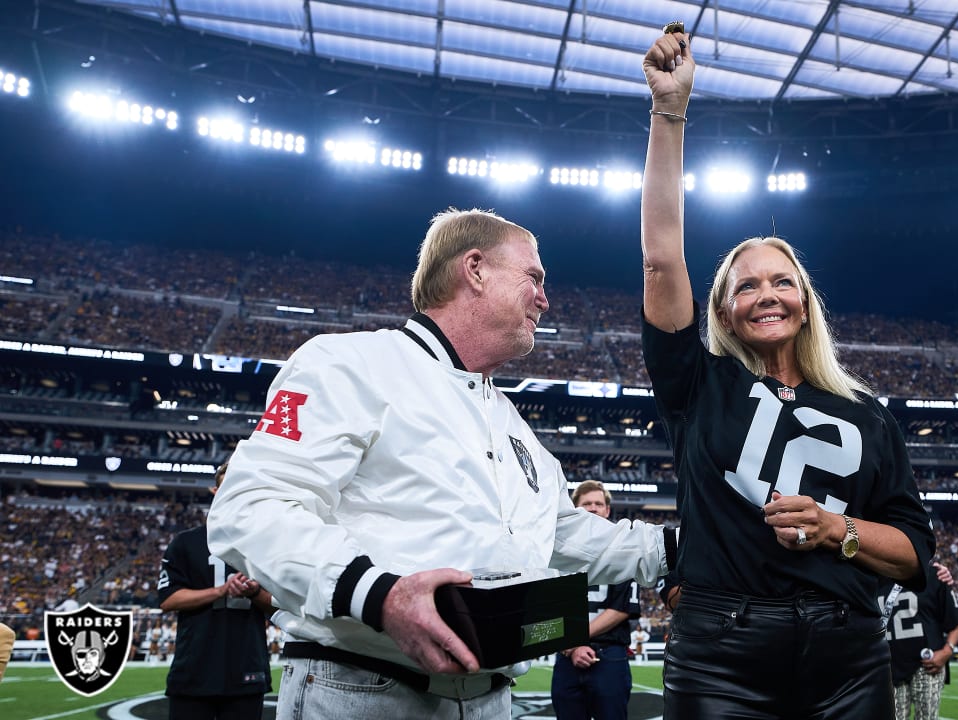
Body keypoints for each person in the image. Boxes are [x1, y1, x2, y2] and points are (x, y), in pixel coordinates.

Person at [207, 208, 675, 719]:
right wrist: (380, 595)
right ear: (474, 270)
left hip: (492, 699)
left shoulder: (512, 422)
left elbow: (562, 535)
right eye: (534, 278)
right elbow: (249, 507)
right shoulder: (349, 363)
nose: (545, 298)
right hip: (365, 689)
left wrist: (676, 547)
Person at [640, 29, 936, 719]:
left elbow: (914, 551)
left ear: (805, 304)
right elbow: (660, 259)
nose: (766, 294)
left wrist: (841, 531)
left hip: (850, 659)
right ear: (721, 310)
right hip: (722, 657)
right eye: (746, 286)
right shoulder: (698, 384)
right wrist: (670, 112)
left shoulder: (865, 412)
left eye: (782, 281)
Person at [158, 462, 274, 720]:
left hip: (246, 666)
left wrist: (254, 593)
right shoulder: (186, 543)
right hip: (195, 668)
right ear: (215, 491)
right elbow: (168, 599)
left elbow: (279, 606)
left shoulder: (262, 543)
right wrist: (221, 591)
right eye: (226, 485)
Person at [551, 480, 642, 720]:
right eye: (586, 504)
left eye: (598, 504)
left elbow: (621, 609)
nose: (592, 508)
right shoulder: (556, 549)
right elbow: (549, 606)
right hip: (567, 656)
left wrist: (575, 638)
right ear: (575, 509)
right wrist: (571, 646)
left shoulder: (624, 548)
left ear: (607, 510)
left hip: (608, 655)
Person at [884, 561, 958, 720]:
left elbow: (957, 621)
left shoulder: (933, 576)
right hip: (888, 668)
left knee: (927, 717)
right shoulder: (872, 578)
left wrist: (947, 650)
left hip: (927, 664)